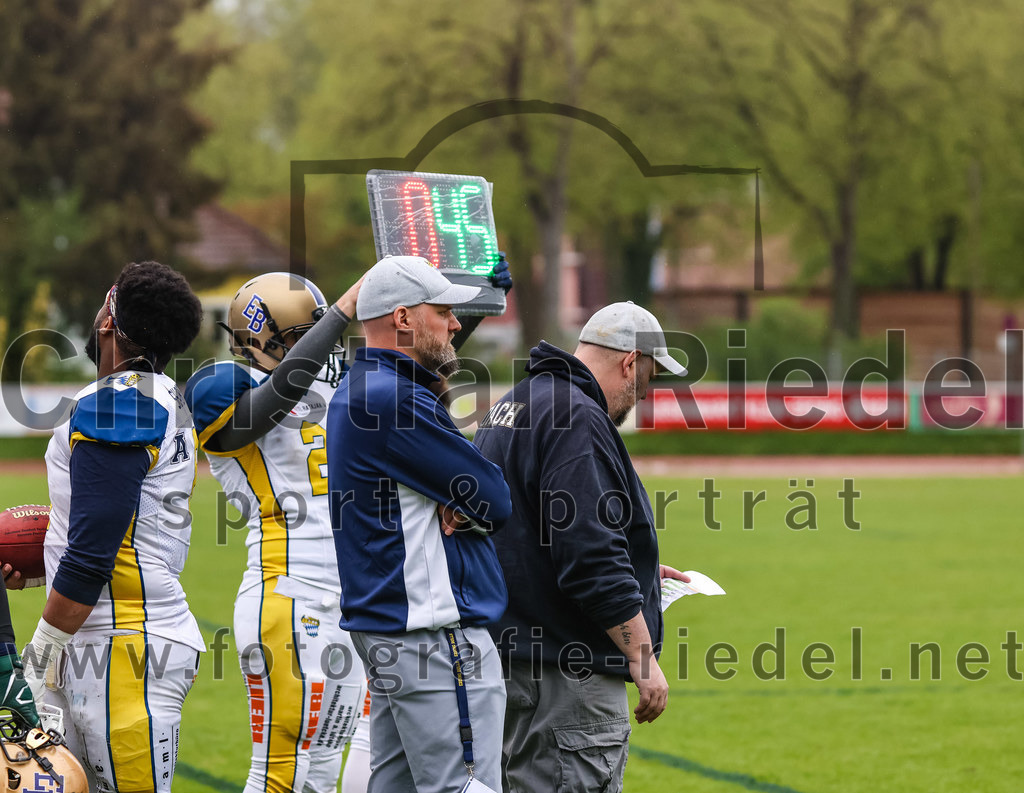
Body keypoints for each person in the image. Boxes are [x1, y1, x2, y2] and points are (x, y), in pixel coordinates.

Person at [473, 301, 691, 793]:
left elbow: (523, 532)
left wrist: (643, 570)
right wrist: (643, 659)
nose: (643, 395)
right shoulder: (578, 417)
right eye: (649, 378)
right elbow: (590, 558)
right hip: (566, 681)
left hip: (510, 664)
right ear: (630, 362)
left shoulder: (519, 400)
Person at [327, 255, 512, 793]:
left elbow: (467, 488)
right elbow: (494, 497)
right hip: (433, 638)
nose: (456, 323)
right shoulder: (396, 399)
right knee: (467, 787)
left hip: (390, 632)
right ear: (404, 318)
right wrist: (463, 499)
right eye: (444, 312)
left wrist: (456, 494)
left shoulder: (363, 389)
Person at [184, 272, 371, 793]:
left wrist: (462, 310)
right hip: (288, 597)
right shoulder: (222, 385)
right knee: (279, 776)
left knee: (321, 774)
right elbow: (270, 402)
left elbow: (416, 380)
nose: (317, 346)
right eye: (299, 335)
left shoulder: (337, 386)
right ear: (259, 337)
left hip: (350, 600)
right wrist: (338, 315)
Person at [22, 261, 204, 793]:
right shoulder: (162, 394)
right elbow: (129, 531)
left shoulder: (120, 401)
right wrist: (41, 569)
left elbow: (95, 550)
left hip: (119, 644)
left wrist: (38, 656)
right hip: (112, 634)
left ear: (110, 320)